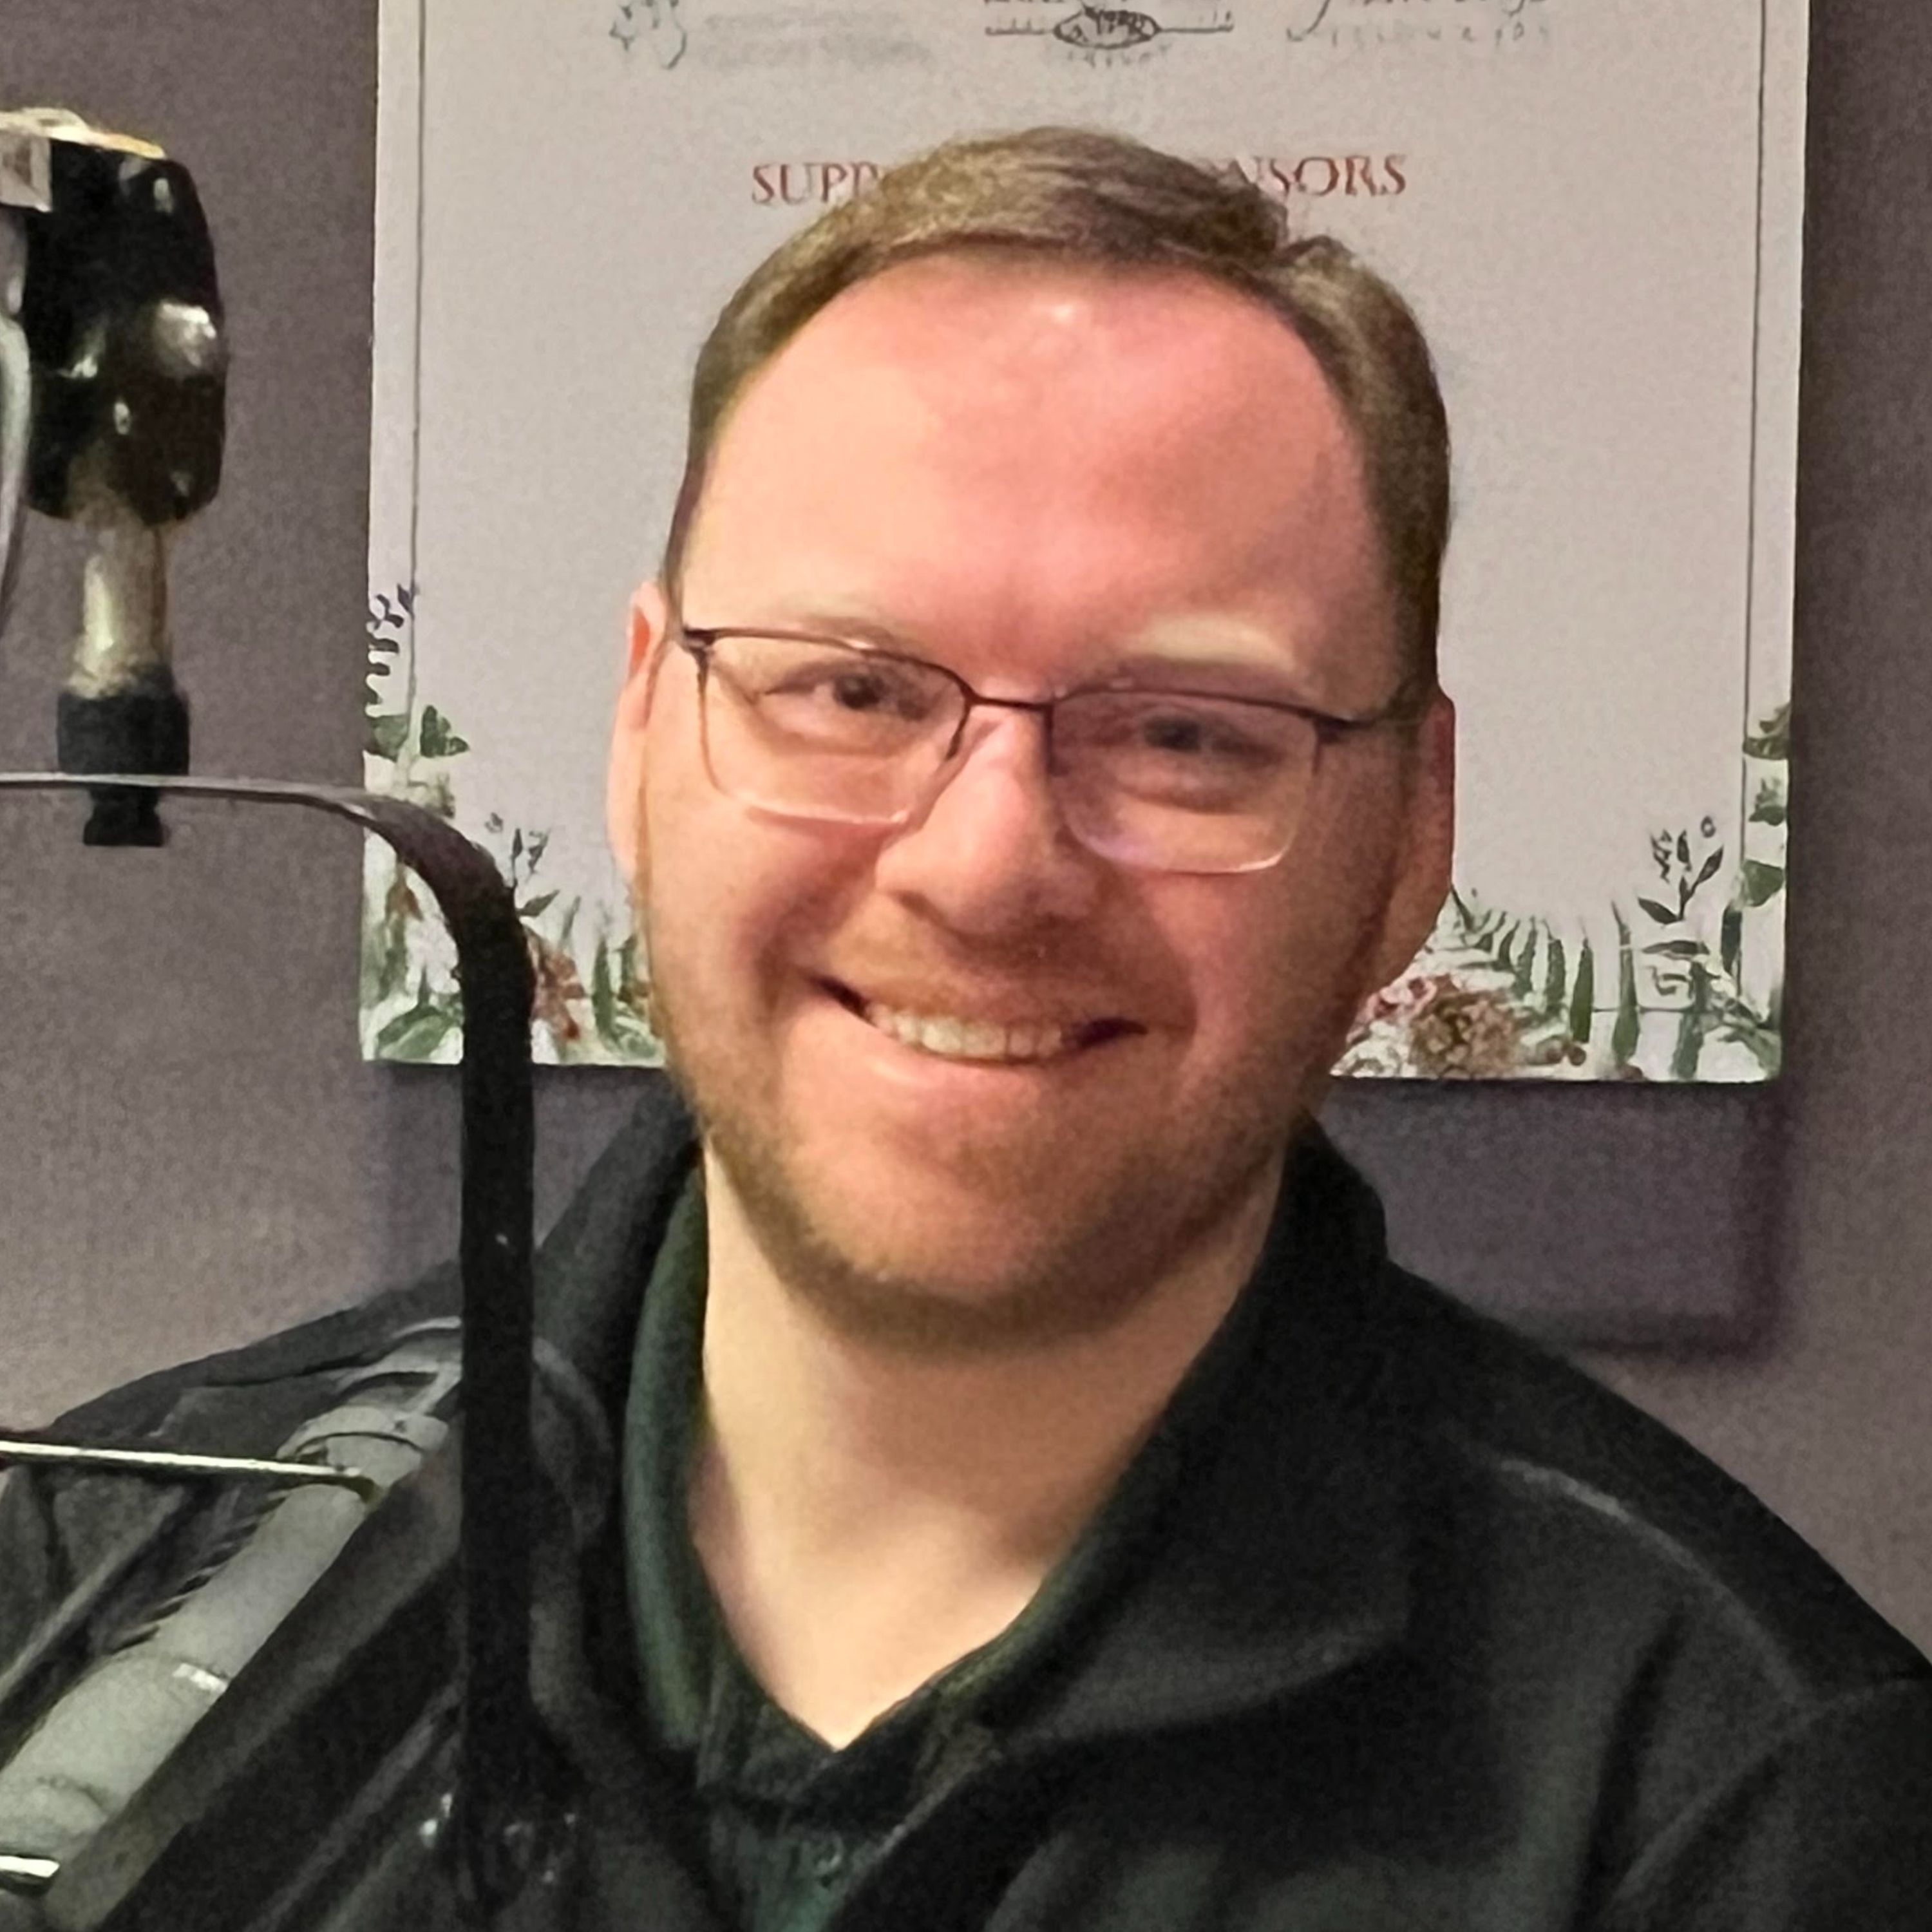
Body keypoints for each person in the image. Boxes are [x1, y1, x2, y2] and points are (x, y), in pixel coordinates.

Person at [4, 126, 1931, 1931]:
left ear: (1413, 834)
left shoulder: (1743, 1807)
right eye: (850, 689)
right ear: (644, 728)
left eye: (1187, 734)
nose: (989, 867)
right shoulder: (92, 1580)